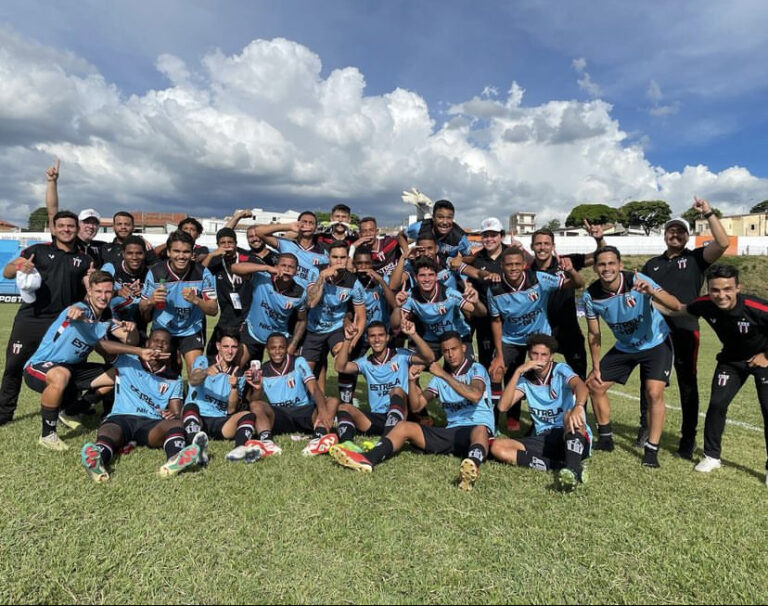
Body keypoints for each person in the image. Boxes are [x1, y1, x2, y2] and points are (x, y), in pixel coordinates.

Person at [641, 264, 768, 484]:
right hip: (730, 360)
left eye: (727, 289)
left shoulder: (757, 307)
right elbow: (678, 310)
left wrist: (766, 355)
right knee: (717, 404)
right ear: (708, 290)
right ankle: (711, 456)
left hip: (763, 359)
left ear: (738, 287)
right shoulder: (704, 304)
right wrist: (650, 298)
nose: (721, 295)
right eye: (715, 290)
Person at [329, 331, 495, 492]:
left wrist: (443, 374)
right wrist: (412, 380)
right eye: (446, 351)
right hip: (451, 432)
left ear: (463, 348)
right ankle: (368, 458)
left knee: (480, 429)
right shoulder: (438, 379)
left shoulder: (476, 369)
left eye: (454, 349)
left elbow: (475, 395)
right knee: (404, 427)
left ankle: (471, 465)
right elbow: (417, 406)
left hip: (476, 432)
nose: (450, 355)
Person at [637, 197, 729, 457]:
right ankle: (645, 430)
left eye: (680, 231)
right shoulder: (651, 264)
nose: (675, 234)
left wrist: (708, 212)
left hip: (686, 329)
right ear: (665, 235)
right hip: (654, 332)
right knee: (649, 383)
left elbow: (723, 243)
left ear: (688, 236)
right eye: (671, 230)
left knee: (687, 384)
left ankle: (687, 441)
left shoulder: (696, 259)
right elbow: (643, 296)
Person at [23, 271, 152, 450]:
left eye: (107, 292)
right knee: (61, 374)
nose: (103, 296)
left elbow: (130, 340)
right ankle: (47, 434)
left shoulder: (106, 316)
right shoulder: (81, 307)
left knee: (120, 373)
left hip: (73, 369)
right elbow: (75, 313)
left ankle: (71, 412)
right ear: (89, 291)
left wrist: (132, 329)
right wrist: (139, 351)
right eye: (98, 291)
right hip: (40, 366)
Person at [583, 247, 677, 468]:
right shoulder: (590, 295)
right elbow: (594, 333)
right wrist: (596, 365)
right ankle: (605, 439)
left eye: (611, 263)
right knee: (594, 385)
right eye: (602, 264)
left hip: (656, 343)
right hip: (625, 347)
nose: (607, 268)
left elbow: (674, 304)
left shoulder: (638, 280)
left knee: (654, 392)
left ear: (620, 265)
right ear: (596, 268)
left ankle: (652, 450)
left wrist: (651, 292)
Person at [0, 208, 93, 425]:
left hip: (63, 323)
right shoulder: (37, 250)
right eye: (61, 226)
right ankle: (4, 413)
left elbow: (89, 289)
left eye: (70, 226)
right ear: (53, 229)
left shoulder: (85, 259)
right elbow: (7, 271)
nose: (66, 229)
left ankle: (65, 410)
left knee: (68, 367)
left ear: (77, 229)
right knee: (14, 365)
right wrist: (19, 265)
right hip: (31, 319)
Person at [80, 328, 207, 482]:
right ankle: (98, 461)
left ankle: (174, 460)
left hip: (151, 424)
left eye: (165, 343)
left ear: (170, 349)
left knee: (177, 424)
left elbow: (176, 411)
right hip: (122, 417)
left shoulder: (174, 379)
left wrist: (172, 414)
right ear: (147, 343)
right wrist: (138, 351)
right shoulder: (127, 361)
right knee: (110, 429)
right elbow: (99, 345)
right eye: (156, 341)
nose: (160, 345)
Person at [487, 247, 584, 432]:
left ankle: (538, 422)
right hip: (512, 338)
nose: (513, 268)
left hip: (538, 336)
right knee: (496, 370)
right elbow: (496, 321)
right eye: (509, 265)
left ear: (524, 265)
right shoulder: (495, 289)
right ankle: (493, 422)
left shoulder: (539, 278)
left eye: (517, 264)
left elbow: (577, 284)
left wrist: (571, 271)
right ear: (502, 266)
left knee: (543, 375)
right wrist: (499, 355)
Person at [491, 334, 592, 491]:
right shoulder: (525, 380)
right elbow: (503, 407)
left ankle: (573, 467)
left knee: (569, 415)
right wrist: (517, 372)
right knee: (498, 447)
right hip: (543, 437)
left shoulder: (560, 370)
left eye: (544, 355)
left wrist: (579, 406)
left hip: (570, 433)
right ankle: (560, 467)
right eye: (535, 354)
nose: (539, 359)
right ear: (529, 355)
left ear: (551, 356)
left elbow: (581, 386)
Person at [333, 319, 434, 443]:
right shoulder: (365, 363)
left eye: (380, 335)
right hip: (378, 417)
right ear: (367, 339)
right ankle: (347, 445)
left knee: (397, 391)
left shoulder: (401, 356)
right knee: (344, 407)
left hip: (402, 415)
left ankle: (386, 440)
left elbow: (430, 358)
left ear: (387, 338)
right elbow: (340, 367)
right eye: (372, 336)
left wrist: (413, 334)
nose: (376, 340)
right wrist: (348, 340)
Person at [527, 222, 606, 380]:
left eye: (546, 244)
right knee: (541, 378)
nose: (542, 247)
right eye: (538, 244)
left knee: (578, 378)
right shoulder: (526, 271)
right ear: (532, 247)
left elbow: (599, 255)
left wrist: (599, 239)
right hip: (540, 333)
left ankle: (579, 406)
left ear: (553, 246)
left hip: (569, 331)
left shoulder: (566, 262)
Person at [246, 333, 339, 456]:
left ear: (287, 348)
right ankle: (266, 442)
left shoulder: (298, 362)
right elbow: (254, 402)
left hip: (305, 412)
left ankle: (318, 439)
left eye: (281, 347)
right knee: (256, 405)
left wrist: (322, 411)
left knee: (332, 401)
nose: (277, 351)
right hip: (280, 414)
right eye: (273, 348)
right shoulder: (263, 370)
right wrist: (257, 388)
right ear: (267, 349)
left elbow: (314, 387)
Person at [140, 230, 218, 376]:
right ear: (168, 252)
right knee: (164, 372)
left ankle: (193, 399)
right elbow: (142, 306)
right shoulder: (156, 273)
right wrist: (151, 300)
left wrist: (196, 300)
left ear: (192, 253)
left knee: (196, 371)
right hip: (163, 329)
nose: (181, 256)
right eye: (176, 251)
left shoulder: (203, 273)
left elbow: (213, 309)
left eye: (186, 252)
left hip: (191, 330)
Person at [180, 328, 259, 463]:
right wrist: (206, 372)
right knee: (190, 406)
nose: (230, 351)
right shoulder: (203, 361)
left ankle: (239, 450)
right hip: (198, 418)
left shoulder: (238, 373)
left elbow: (231, 410)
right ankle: (196, 447)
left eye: (233, 347)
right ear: (218, 346)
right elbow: (193, 380)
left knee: (248, 415)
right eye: (226, 346)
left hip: (220, 421)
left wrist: (234, 387)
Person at [305, 241, 366, 399]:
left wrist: (352, 342)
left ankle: (346, 401)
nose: (339, 261)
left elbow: (361, 316)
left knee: (343, 360)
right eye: (335, 257)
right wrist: (322, 278)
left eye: (342, 257)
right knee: (307, 371)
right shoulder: (316, 272)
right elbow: (311, 302)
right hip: (313, 328)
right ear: (328, 257)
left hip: (336, 328)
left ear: (348, 259)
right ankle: (311, 404)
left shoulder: (354, 282)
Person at [231, 253, 307, 364]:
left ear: (296, 271)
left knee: (287, 373)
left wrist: (293, 345)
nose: (286, 269)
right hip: (253, 333)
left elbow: (302, 320)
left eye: (291, 267)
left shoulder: (300, 293)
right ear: (276, 267)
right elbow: (234, 268)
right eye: (283, 265)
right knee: (236, 366)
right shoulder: (262, 278)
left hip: (278, 338)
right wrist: (266, 267)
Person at [398, 257, 476, 360]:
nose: (426, 279)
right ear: (415, 278)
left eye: (431, 275)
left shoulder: (449, 293)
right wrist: (398, 306)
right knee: (413, 370)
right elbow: (396, 323)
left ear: (436, 277)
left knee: (462, 371)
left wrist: (475, 301)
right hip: (432, 340)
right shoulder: (410, 295)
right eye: (422, 275)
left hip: (457, 336)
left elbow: (474, 311)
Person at [201, 228, 253, 357]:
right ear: (218, 245)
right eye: (222, 243)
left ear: (236, 243)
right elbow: (200, 273)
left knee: (242, 353)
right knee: (212, 352)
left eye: (230, 242)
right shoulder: (216, 261)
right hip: (226, 315)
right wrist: (212, 254)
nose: (227, 245)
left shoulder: (246, 258)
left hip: (247, 315)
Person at [43, 159, 106, 264]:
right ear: (78, 225)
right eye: (86, 222)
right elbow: (52, 212)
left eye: (94, 223)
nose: (90, 226)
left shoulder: (102, 247)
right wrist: (52, 182)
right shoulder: (66, 239)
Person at [252, 211, 328, 287]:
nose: (307, 225)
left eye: (311, 223)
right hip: (286, 294)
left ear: (315, 227)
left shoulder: (323, 252)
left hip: (311, 295)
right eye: (304, 222)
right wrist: (289, 226)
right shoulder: (286, 244)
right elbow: (258, 231)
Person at [102, 235, 150, 341]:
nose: (134, 257)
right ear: (123, 254)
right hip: (112, 322)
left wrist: (147, 298)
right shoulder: (111, 268)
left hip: (137, 325)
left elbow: (148, 313)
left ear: (145, 254)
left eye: (139, 253)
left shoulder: (150, 274)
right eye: (130, 253)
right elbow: (96, 294)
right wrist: (117, 292)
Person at [400, 199, 472, 262]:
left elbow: (471, 257)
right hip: (422, 267)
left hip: (446, 270)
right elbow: (400, 235)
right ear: (433, 217)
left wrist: (460, 260)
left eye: (449, 218)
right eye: (440, 217)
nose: (445, 222)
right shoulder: (420, 227)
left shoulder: (459, 237)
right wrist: (407, 253)